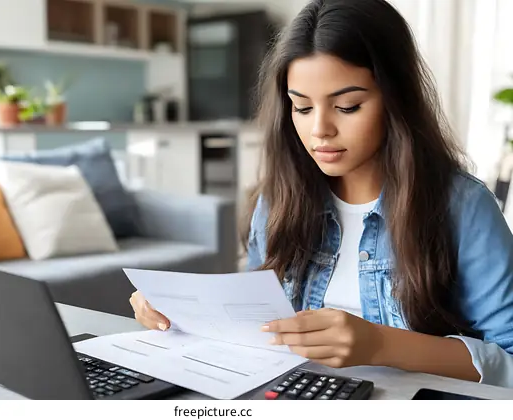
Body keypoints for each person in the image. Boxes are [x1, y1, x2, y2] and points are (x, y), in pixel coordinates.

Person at [129, 0, 513, 388]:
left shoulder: (461, 208)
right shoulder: (280, 199)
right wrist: (180, 315)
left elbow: (509, 360)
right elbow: (256, 330)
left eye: (347, 106)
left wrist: (381, 344)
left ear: (396, 100)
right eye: (301, 107)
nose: (319, 130)